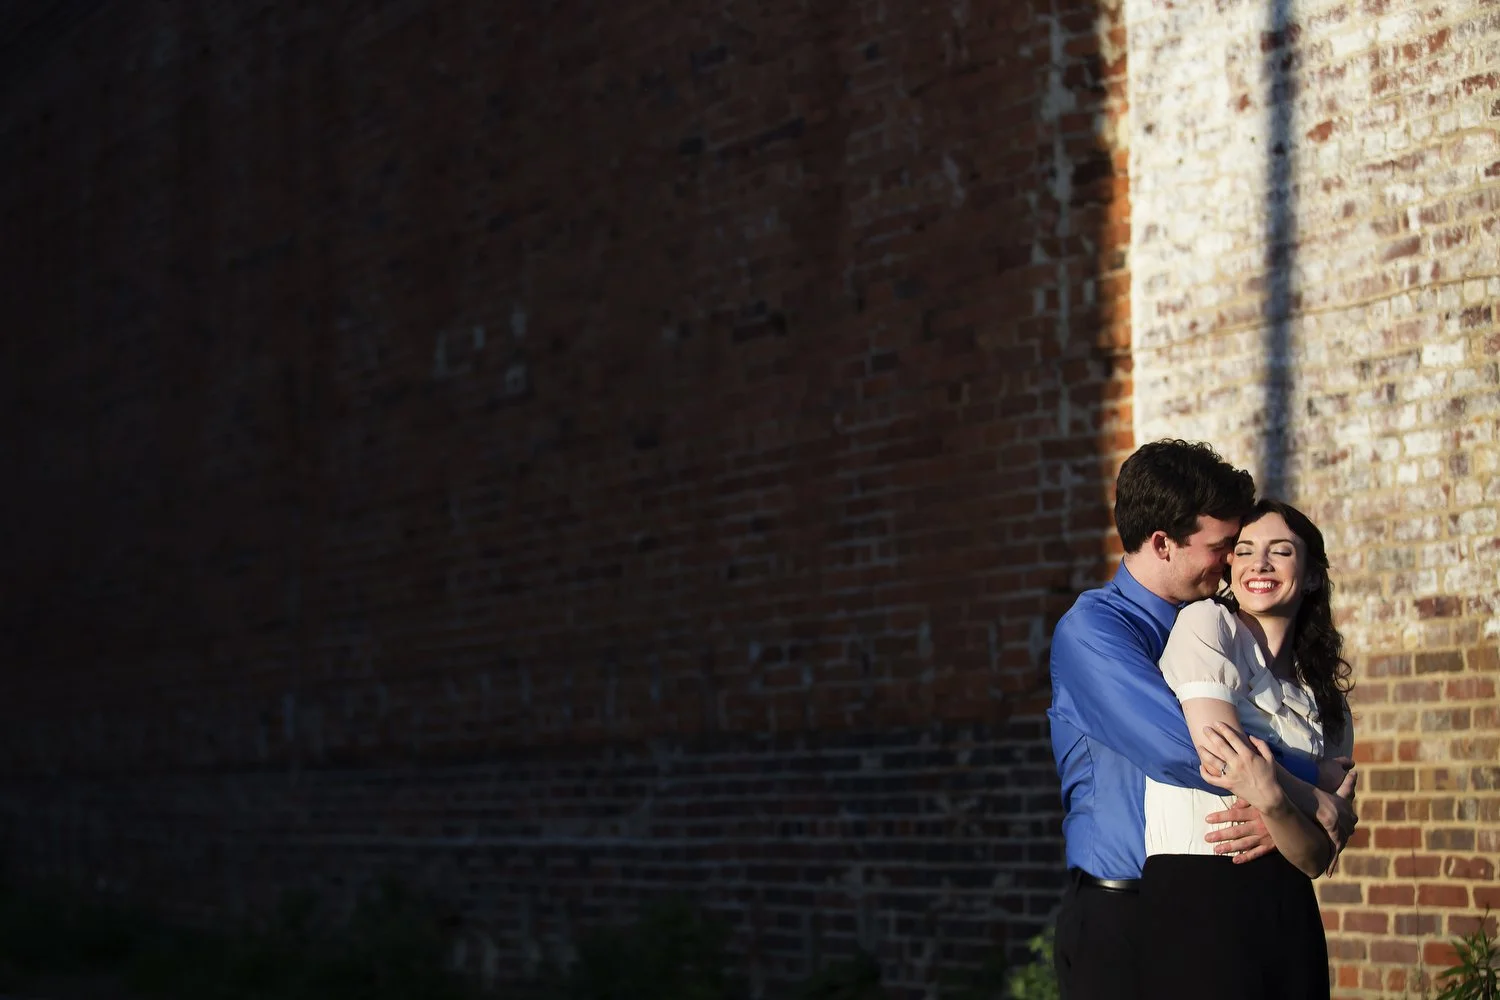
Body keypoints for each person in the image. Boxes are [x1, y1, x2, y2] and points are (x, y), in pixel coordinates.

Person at [1047, 440, 1357, 1000]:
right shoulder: (1093, 631)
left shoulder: (1229, 630)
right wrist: (1312, 785)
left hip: (1220, 904)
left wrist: (1282, 807)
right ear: (1163, 544)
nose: (1232, 562)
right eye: (1224, 547)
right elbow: (1186, 748)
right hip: (1120, 909)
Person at [1138, 498, 1355, 999]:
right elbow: (1220, 756)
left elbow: (1315, 858)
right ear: (1230, 566)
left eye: (1280, 552)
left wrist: (1276, 804)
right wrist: (1312, 798)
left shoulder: (1326, 697)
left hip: (1288, 909)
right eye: (1246, 550)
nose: (1260, 564)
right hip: (1198, 895)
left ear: (1314, 575)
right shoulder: (1207, 624)